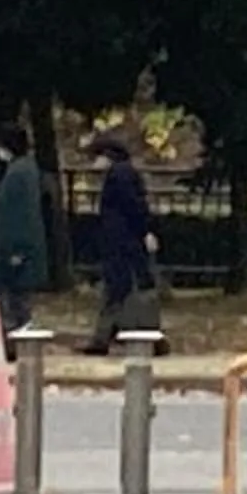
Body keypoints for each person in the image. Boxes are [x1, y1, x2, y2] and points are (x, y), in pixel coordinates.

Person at [82, 134, 159, 355]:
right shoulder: (124, 173)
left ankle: (104, 339)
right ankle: (112, 336)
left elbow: (133, 207)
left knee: (118, 290)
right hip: (126, 242)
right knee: (125, 291)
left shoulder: (119, 175)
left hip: (122, 243)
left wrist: (144, 231)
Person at [0, 125, 50, 351]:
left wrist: (15, 250)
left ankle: (12, 342)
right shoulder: (27, 170)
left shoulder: (17, 174)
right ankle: (15, 340)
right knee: (16, 297)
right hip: (21, 245)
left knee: (9, 297)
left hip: (14, 247)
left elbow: (16, 214)